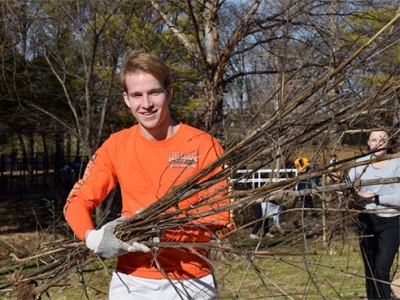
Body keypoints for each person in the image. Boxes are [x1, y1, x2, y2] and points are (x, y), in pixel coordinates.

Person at [63, 51, 232, 300]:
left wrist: (162, 228)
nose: (146, 104)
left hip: (193, 280)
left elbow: (220, 215)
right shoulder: (116, 145)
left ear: (170, 92)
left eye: (154, 92)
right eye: (137, 95)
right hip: (132, 282)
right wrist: (93, 237)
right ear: (126, 99)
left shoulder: (204, 145)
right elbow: (76, 201)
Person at [348, 129, 400, 299]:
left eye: (382, 140)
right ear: (368, 143)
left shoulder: (397, 162)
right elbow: (348, 186)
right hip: (366, 220)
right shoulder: (359, 164)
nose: (378, 143)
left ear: (389, 143)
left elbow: (399, 198)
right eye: (374, 139)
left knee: (381, 269)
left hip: (392, 221)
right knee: (370, 269)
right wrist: (347, 194)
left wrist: (374, 198)